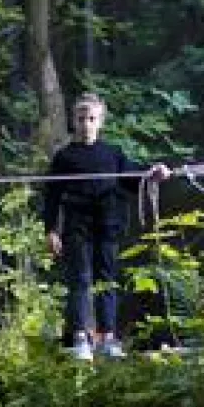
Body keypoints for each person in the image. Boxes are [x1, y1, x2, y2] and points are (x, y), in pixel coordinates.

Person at [43, 92, 172, 361]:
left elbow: (133, 177)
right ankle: (79, 336)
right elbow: (52, 196)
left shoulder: (112, 154)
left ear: (100, 122)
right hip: (77, 227)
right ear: (73, 121)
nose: (86, 124)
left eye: (91, 118)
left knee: (108, 280)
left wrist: (154, 172)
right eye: (81, 118)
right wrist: (51, 230)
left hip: (107, 225)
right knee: (79, 280)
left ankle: (107, 336)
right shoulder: (64, 157)